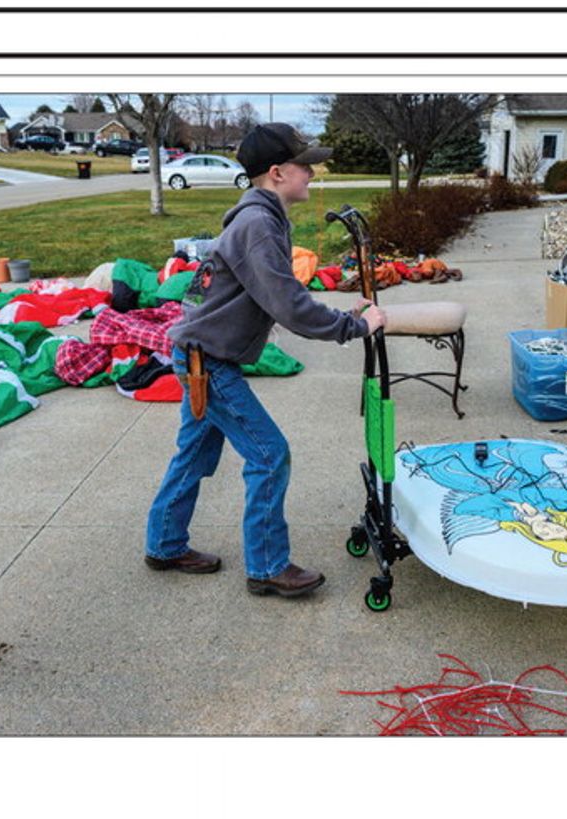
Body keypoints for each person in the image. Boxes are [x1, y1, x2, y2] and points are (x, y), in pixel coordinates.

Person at [144, 122, 386, 598]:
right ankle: (268, 566)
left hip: (201, 356)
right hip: (207, 364)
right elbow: (288, 305)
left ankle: (165, 545)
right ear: (277, 173)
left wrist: (342, 312)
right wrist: (354, 327)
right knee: (269, 455)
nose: (313, 174)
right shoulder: (257, 224)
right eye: (305, 166)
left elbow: (268, 291)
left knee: (194, 455)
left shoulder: (257, 218)